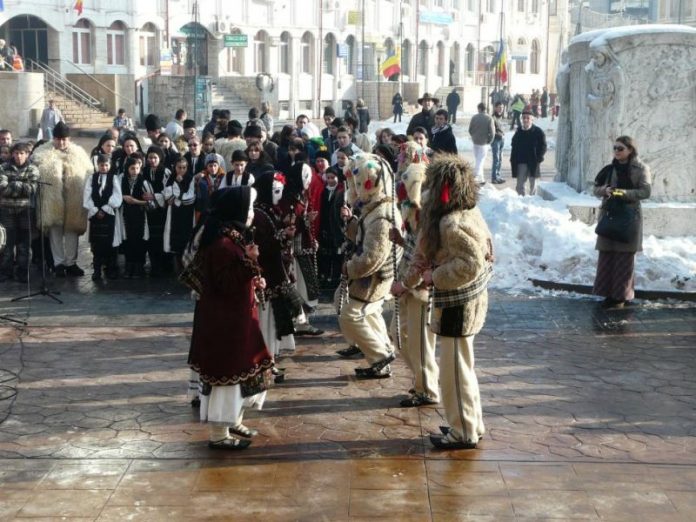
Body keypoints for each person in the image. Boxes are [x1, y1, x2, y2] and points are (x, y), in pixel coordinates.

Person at [409, 153, 493, 450]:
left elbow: (470, 264)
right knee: (462, 367)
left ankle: (463, 431)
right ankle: (471, 423)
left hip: (458, 305)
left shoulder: (451, 222)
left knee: (454, 372)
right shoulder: (469, 211)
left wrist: (434, 276)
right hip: (465, 302)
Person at [187, 186, 273, 450]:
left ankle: (234, 420)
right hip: (224, 324)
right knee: (228, 374)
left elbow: (236, 277)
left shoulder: (232, 238)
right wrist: (249, 262)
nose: (252, 213)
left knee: (241, 371)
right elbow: (225, 283)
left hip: (236, 320)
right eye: (248, 208)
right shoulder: (223, 244)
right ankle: (218, 433)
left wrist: (253, 277)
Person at [338, 153, 402, 379]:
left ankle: (380, 356)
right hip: (374, 277)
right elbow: (364, 238)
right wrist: (351, 223)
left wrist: (349, 267)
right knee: (370, 313)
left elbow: (372, 258)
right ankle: (383, 352)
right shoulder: (376, 209)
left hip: (373, 279)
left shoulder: (381, 215)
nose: (354, 189)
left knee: (350, 315)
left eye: (358, 184)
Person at [389, 144, 439, 407]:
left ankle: (427, 388)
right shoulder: (413, 208)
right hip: (409, 282)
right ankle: (423, 381)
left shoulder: (425, 211)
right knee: (401, 335)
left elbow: (423, 256)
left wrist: (405, 284)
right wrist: (400, 240)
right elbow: (413, 245)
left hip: (418, 287)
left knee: (418, 341)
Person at [592, 136, 651, 310]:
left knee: (624, 258)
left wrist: (623, 193)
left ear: (630, 150)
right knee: (607, 256)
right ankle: (607, 294)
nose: (616, 152)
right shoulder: (609, 168)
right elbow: (595, 188)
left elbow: (646, 191)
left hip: (628, 217)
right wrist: (605, 190)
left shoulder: (641, 168)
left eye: (620, 148)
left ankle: (620, 297)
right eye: (615, 148)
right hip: (610, 215)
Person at [32, 122, 92, 277]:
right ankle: (58, 263)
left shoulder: (79, 153)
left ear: (69, 139)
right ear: (54, 138)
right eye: (58, 139)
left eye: (64, 139)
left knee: (72, 230)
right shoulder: (41, 153)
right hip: (52, 198)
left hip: (74, 198)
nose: (61, 142)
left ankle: (71, 262)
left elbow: (89, 172)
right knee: (55, 230)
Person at [0, 142, 40, 282]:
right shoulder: (3, 167)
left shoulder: (33, 169)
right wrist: (21, 185)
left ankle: (22, 272)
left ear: (27, 154)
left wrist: (12, 184)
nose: (19, 156)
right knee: (7, 244)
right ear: (12, 154)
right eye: (16, 153)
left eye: (22, 153)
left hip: (25, 211)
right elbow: (2, 188)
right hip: (7, 210)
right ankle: (6, 272)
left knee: (24, 245)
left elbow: (32, 189)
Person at [83, 154, 123, 281]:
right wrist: (95, 210)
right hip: (95, 215)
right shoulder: (92, 178)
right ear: (97, 165)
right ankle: (97, 270)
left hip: (109, 214)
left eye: (106, 165)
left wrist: (105, 208)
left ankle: (111, 269)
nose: (104, 167)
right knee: (97, 245)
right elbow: (87, 196)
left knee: (110, 244)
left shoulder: (114, 178)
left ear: (110, 165)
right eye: (101, 165)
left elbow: (117, 195)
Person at [120, 155, 148, 278]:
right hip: (126, 214)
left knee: (139, 240)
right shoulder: (122, 180)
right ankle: (129, 265)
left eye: (137, 168)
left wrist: (136, 201)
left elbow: (150, 202)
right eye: (132, 168)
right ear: (127, 168)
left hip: (140, 215)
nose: (135, 171)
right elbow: (117, 195)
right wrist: (123, 197)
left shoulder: (144, 181)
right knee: (128, 239)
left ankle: (139, 266)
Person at [510, 111, 547, 196]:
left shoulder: (538, 131)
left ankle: (532, 201)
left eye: (528, 118)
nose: (525, 120)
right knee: (519, 185)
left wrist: (539, 157)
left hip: (533, 161)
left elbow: (543, 146)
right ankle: (520, 200)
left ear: (532, 120)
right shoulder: (518, 131)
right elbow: (514, 145)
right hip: (521, 161)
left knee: (533, 185)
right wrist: (513, 159)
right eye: (524, 118)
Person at [468, 103, 495, 184]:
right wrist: (489, 141)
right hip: (484, 143)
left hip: (475, 142)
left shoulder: (474, 117)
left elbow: (470, 129)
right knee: (480, 161)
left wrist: (474, 136)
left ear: (479, 108)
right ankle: (476, 177)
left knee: (478, 160)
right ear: (485, 109)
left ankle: (481, 178)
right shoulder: (489, 118)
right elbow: (492, 132)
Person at [490, 102, 506, 184]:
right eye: (499, 107)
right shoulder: (492, 118)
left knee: (500, 159)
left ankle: (498, 176)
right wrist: (498, 135)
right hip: (496, 140)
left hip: (501, 140)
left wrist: (503, 134)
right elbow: (490, 131)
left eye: (502, 107)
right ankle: (494, 177)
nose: (501, 109)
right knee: (496, 159)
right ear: (495, 108)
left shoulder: (500, 117)